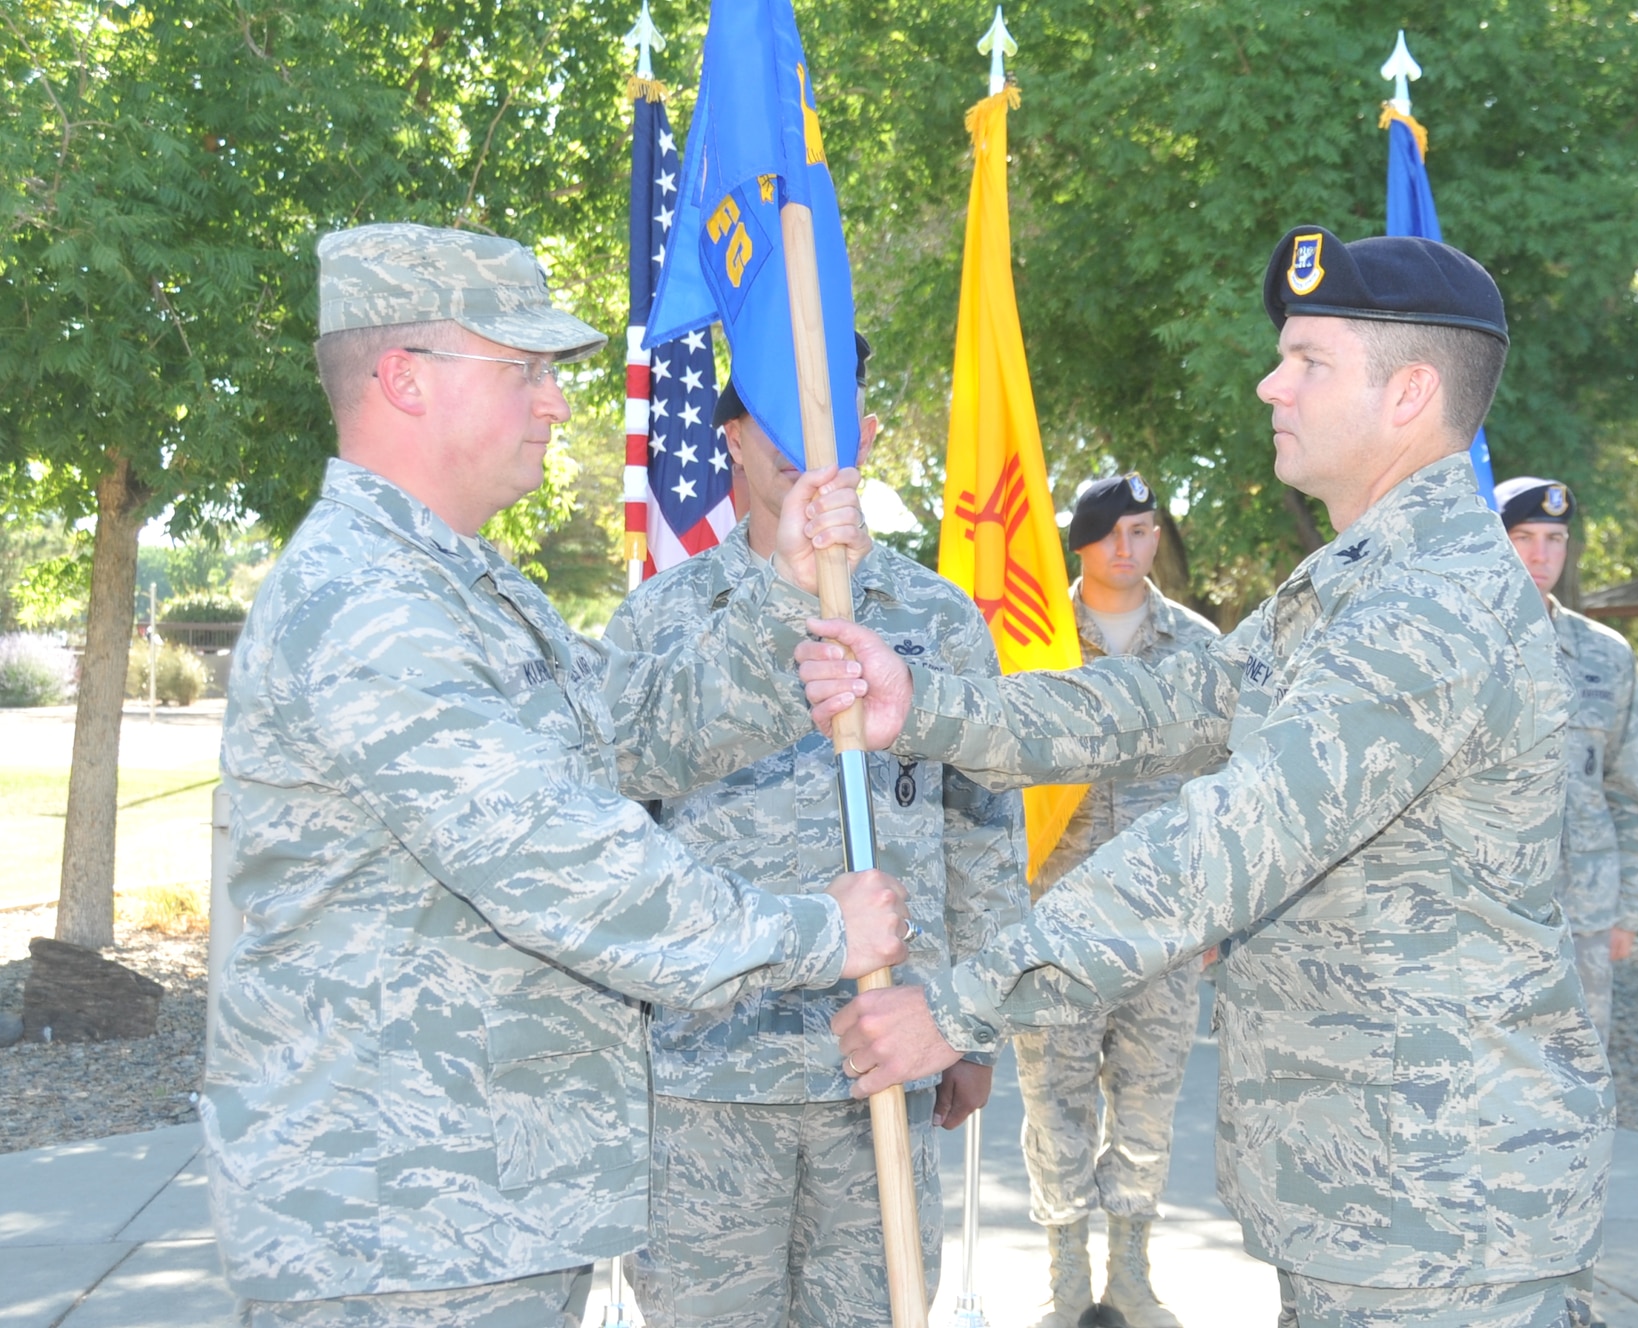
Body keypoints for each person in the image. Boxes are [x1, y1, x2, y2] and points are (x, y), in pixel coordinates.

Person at [802, 226, 1613, 1328]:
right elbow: (1168, 703)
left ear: (1410, 391)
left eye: (1308, 360)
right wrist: (931, 706)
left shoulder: (1432, 607)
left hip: (1439, 1201)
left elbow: (1229, 838)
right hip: (1373, 1185)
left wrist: (955, 1001)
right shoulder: (1356, 581)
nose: (1268, 381)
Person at [203, 222, 909, 1328]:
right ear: (404, 379)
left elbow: (627, 730)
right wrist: (819, 934)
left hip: (471, 1212)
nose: (557, 401)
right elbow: (560, 858)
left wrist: (780, 596)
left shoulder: (461, 580)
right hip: (399, 1229)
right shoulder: (370, 603)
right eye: (523, 369)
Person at [603, 336, 1029, 1327]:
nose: (805, 441)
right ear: (732, 437)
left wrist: (973, 1020)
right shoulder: (663, 621)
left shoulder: (938, 618)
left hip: (880, 1058)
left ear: (868, 434)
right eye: (779, 416)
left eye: (830, 415)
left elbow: (981, 824)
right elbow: (612, 841)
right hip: (705, 1071)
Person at [1014, 473, 1222, 1328]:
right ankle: (1066, 1275)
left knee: (1144, 1107)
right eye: (1110, 533)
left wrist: (1218, 910)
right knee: (1052, 1105)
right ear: (1080, 544)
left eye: (1142, 530)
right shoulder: (1034, 635)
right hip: (1057, 923)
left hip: (1163, 929)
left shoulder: (1201, 646)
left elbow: (1230, 784)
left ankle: (1130, 1272)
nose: (1128, 549)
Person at [1494, 475, 1638, 1045]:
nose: (1540, 555)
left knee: (1578, 1084)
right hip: (1482, 916)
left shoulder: (1603, 653)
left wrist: (1632, 906)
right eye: (1523, 536)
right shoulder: (1461, 646)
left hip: (1584, 916)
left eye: (1554, 538)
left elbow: (1637, 784)